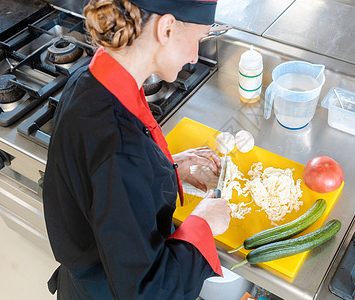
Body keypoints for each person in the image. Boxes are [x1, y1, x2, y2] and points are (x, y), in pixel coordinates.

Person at [42, 0, 231, 299]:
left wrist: (162, 167)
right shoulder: (120, 150)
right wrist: (204, 223)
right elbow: (148, 291)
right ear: (166, 28)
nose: (195, 56)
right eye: (198, 40)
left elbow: (102, 187)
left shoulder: (90, 79)